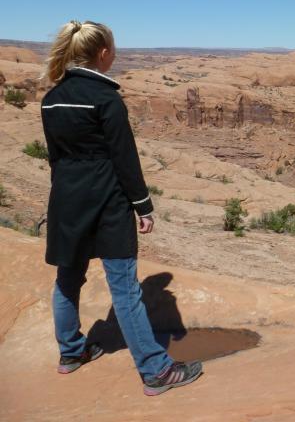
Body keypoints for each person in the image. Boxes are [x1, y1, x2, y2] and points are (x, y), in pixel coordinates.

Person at [41, 20, 202, 396]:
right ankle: (155, 371)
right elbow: (125, 159)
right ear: (103, 54)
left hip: (67, 200)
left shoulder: (53, 98)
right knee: (125, 290)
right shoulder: (106, 99)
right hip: (108, 204)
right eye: (114, 49)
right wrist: (143, 206)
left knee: (67, 280)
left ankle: (71, 353)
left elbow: (57, 158)